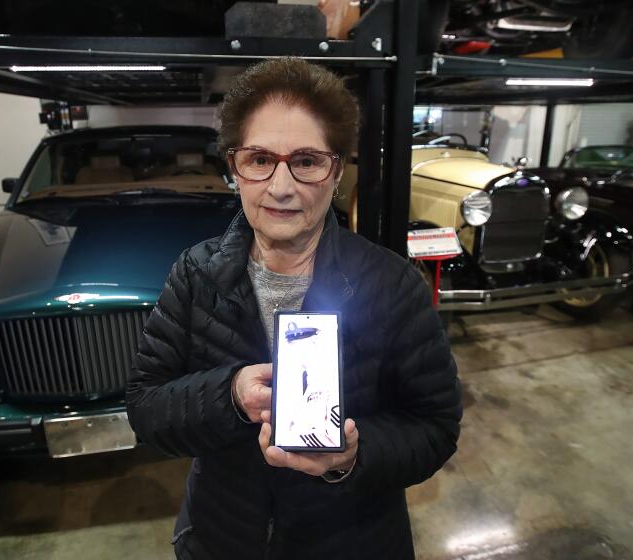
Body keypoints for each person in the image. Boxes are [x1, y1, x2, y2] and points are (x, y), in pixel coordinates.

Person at [126, 57, 462, 560]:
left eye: (305, 161)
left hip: (353, 541)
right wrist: (231, 394)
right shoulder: (195, 275)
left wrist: (352, 455)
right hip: (223, 536)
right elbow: (146, 408)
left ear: (335, 171)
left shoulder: (391, 285)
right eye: (260, 159)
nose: (280, 188)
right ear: (234, 167)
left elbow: (435, 428)